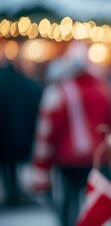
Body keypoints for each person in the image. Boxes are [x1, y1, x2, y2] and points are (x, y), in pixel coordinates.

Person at [30, 41, 111, 226]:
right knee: (95, 206)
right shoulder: (104, 89)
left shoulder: (59, 91)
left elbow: (46, 133)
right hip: (98, 158)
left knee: (68, 204)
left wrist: (41, 171)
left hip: (67, 160)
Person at [0, 43, 42, 205]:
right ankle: (15, 191)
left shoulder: (4, 82)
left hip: (5, 131)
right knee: (14, 163)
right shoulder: (24, 83)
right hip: (18, 129)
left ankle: (12, 190)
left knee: (6, 165)